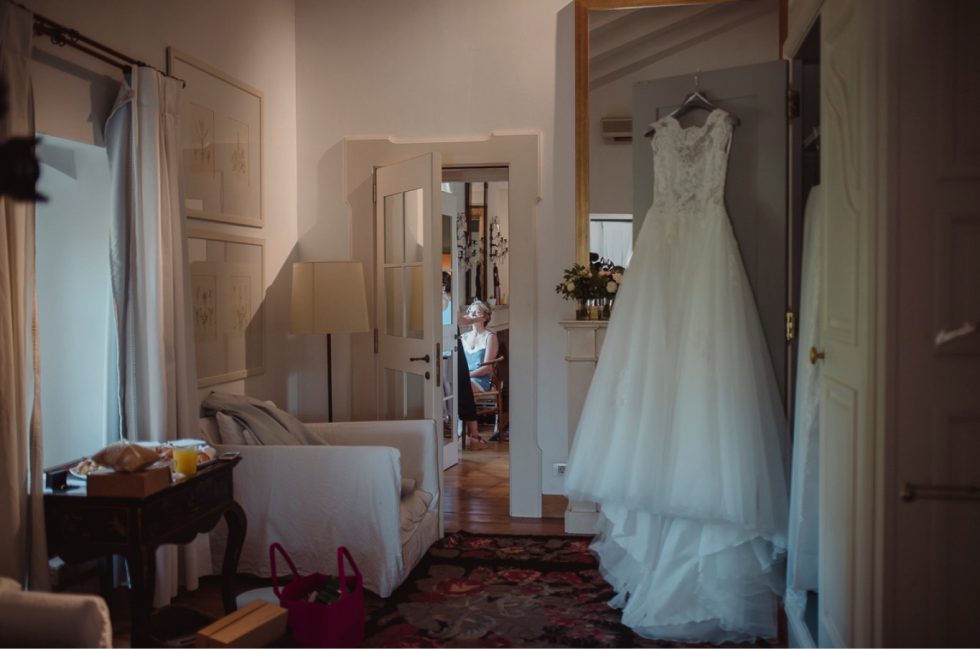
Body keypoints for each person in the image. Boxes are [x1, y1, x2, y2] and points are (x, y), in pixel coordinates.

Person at [459, 299, 498, 449]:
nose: (472, 314)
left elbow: (487, 368)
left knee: (461, 387)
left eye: (476, 312)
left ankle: (470, 432)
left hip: (480, 379)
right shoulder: (463, 337)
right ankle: (468, 432)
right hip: (465, 379)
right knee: (452, 386)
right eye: (470, 312)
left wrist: (466, 376)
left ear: (485, 317)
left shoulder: (490, 337)